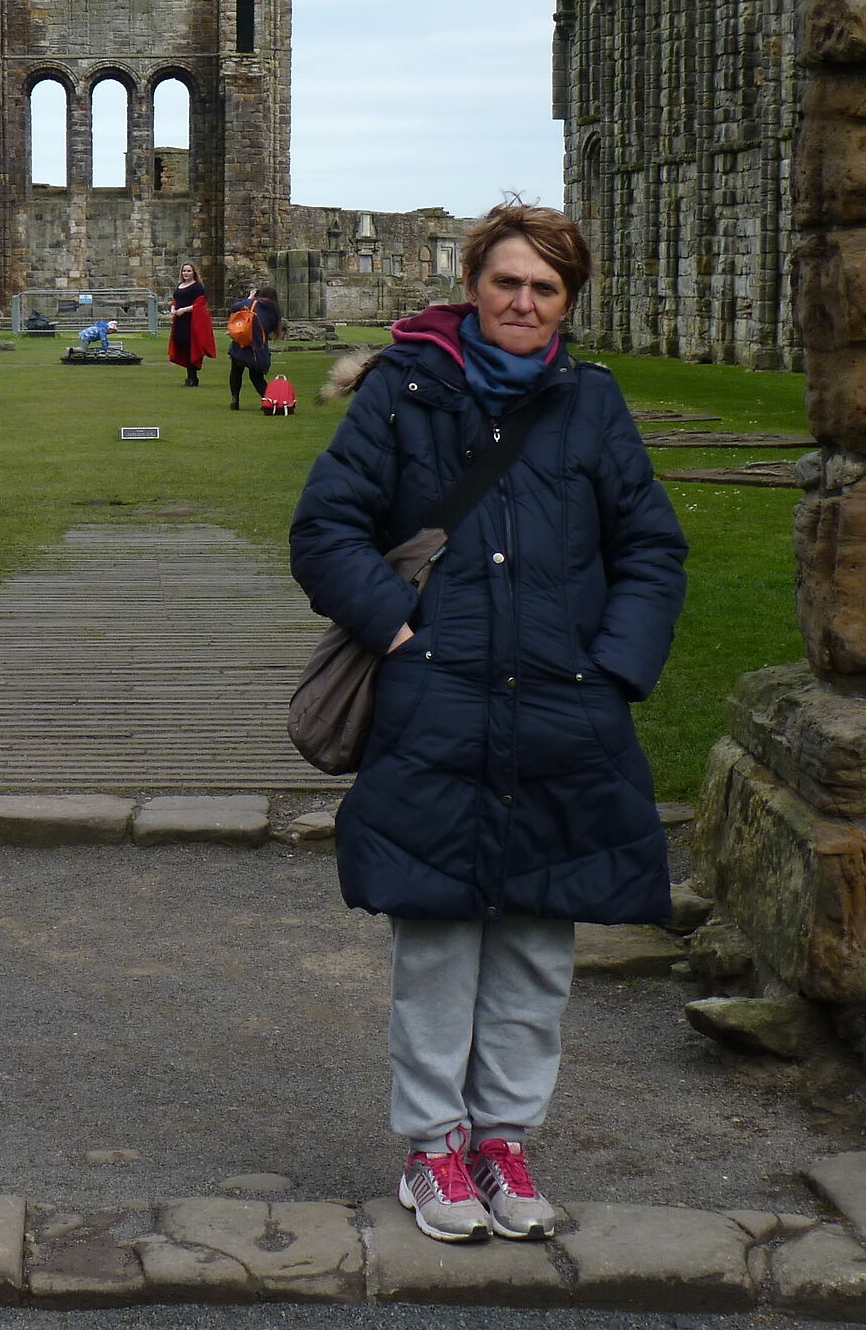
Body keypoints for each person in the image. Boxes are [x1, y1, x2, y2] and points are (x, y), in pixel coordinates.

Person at [288, 200, 689, 1248]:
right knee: (438, 942)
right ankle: (432, 1149)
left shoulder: (592, 406)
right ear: (473, 284)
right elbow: (326, 529)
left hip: (564, 715)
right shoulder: (402, 393)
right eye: (507, 281)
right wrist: (402, 636)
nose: (523, 301)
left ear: (567, 303)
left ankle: (504, 1139)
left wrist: (616, 670)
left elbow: (651, 546)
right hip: (438, 709)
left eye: (545, 288)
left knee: (534, 946)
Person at [227, 283, 283, 411]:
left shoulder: (253, 302)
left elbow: (234, 307)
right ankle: (269, 399)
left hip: (243, 343)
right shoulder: (275, 312)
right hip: (258, 349)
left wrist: (250, 298)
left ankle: (235, 399)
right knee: (257, 377)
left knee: (236, 371)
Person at [168, 261, 215, 386]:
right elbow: (176, 300)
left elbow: (200, 304)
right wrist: (173, 308)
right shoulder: (180, 285)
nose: (186, 273)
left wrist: (184, 310)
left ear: (194, 272)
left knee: (191, 348)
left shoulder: (198, 287)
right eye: (184, 271)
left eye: (188, 271)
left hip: (192, 321)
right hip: (180, 321)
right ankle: (189, 376)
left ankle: (193, 378)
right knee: (183, 346)